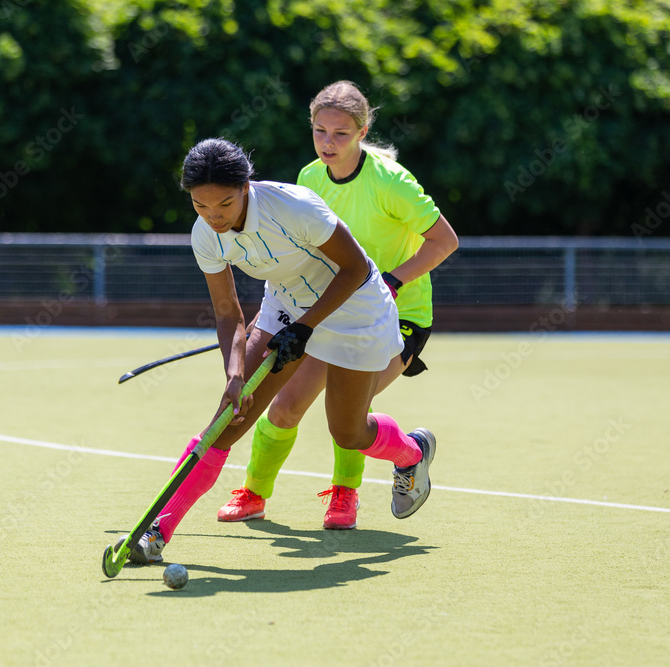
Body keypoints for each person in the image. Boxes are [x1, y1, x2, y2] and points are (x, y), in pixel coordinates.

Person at [127, 137, 436, 564]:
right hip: (287, 306)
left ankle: (413, 452)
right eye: (200, 205)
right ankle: (158, 531)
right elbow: (226, 312)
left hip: (355, 309)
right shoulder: (205, 236)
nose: (214, 216)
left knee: (348, 432)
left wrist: (308, 327)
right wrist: (235, 372)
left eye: (225, 204)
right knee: (227, 421)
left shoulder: (294, 207)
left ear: (247, 187)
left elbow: (356, 269)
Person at [217, 80, 459, 530]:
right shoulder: (309, 178)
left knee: (348, 411)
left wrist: (391, 280)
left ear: (363, 131)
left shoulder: (392, 183)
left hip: (398, 316)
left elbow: (445, 241)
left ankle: (353, 490)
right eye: (319, 131)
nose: (328, 143)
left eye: (341, 134)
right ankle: (253, 492)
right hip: (332, 311)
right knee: (285, 407)